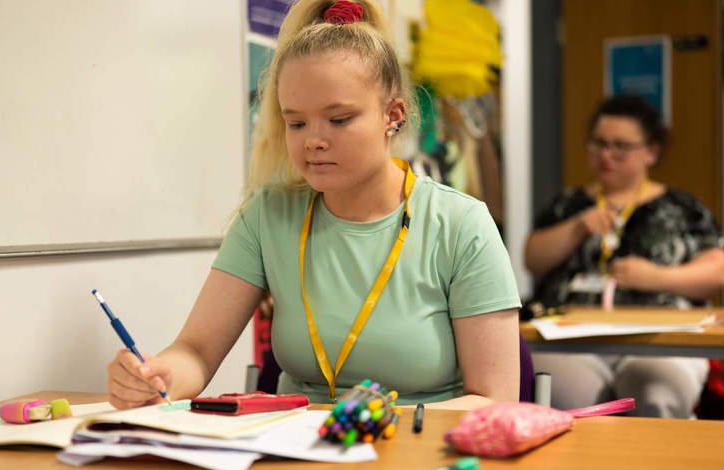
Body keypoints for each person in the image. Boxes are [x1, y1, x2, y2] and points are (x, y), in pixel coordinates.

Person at [106, 0, 522, 411]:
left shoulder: (462, 224)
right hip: (298, 455)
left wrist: (368, 421)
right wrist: (158, 377)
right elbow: (195, 352)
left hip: (420, 449)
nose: (313, 141)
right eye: (296, 122)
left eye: (338, 120)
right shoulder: (267, 216)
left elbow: (495, 399)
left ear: (392, 115)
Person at [524, 94, 724, 418]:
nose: (607, 155)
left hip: (658, 338)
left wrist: (657, 278)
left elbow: (717, 273)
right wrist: (576, 228)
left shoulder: (681, 207)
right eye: (599, 143)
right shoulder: (568, 204)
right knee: (565, 398)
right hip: (575, 338)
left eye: (621, 146)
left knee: (655, 391)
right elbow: (532, 258)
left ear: (651, 151)